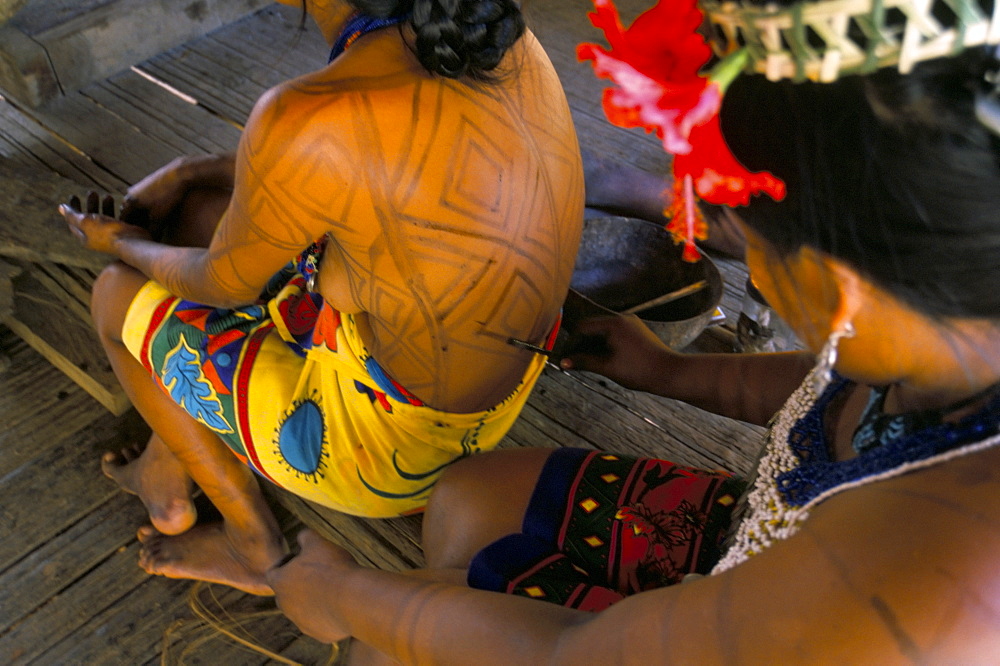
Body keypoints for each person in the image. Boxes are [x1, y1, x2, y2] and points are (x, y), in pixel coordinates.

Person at [262, 0, 1000, 660]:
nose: (752, 271)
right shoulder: (951, 323)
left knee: (388, 651)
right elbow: (833, 388)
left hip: (773, 625)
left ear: (838, 286)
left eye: (738, 239)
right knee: (465, 504)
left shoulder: (921, 587)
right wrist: (669, 373)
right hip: (762, 530)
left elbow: (579, 654)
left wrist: (340, 596)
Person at [58, 0, 583, 594]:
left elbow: (221, 284)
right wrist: (193, 169)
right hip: (500, 391)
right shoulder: (486, 31)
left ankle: (252, 543)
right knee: (199, 211)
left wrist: (121, 241)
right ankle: (168, 459)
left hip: (386, 453)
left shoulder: (307, 113)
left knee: (114, 295)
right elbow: (355, 172)